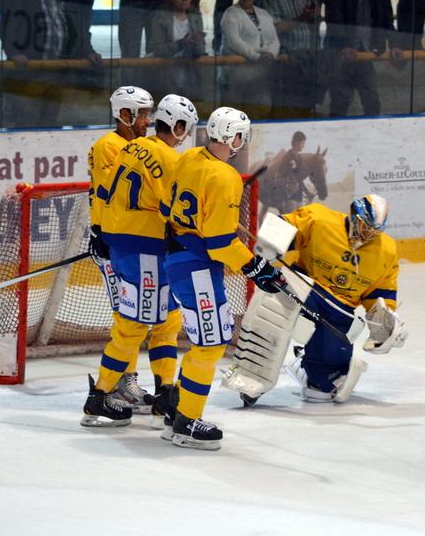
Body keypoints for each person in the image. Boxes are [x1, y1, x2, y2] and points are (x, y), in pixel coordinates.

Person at [162, 106, 285, 450]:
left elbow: (166, 208)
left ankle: (178, 411)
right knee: (210, 344)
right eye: (241, 136)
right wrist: (255, 266)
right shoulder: (225, 176)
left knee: (203, 342)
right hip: (198, 267)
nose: (242, 142)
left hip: (177, 259)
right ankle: (187, 422)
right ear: (231, 136)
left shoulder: (188, 159)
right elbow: (219, 245)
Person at [80, 94, 199, 428]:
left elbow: (104, 193)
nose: (186, 136)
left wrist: (102, 232)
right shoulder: (169, 159)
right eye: (186, 129)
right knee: (133, 326)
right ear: (177, 126)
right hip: (143, 250)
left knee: (168, 321)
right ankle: (98, 397)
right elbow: (172, 210)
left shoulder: (132, 148)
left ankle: (165, 394)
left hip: (132, 246)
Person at [222, 194, 406, 406]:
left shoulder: (387, 250)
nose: (368, 235)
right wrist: (272, 243)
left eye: (374, 231)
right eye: (365, 227)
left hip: (340, 309)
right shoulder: (319, 219)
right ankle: (250, 373)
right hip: (303, 286)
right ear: (354, 217)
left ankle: (310, 370)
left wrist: (386, 322)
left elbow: (380, 294)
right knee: (271, 304)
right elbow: (284, 224)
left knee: (320, 393)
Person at [85, 86, 157, 412]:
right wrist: (102, 233)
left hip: (127, 241)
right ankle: (118, 384)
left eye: (148, 114)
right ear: (124, 114)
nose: (147, 121)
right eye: (142, 115)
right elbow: (106, 195)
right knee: (126, 316)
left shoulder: (141, 146)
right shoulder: (108, 146)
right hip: (112, 242)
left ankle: (124, 381)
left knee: (132, 316)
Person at [0, 0, 103, 128]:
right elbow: (8, 25)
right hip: (31, 68)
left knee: (51, 122)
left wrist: (88, 51)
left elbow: (75, 27)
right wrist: (13, 52)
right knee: (26, 121)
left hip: (58, 68)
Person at [324, 0, 402, 117]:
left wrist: (394, 44)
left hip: (366, 51)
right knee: (340, 102)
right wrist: (343, 45)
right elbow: (334, 18)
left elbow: (386, 17)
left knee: (372, 102)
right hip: (340, 53)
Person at [257, 0, 321, 118]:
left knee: (305, 107)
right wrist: (301, 17)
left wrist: (314, 16)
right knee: (285, 108)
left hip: (307, 58)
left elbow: (311, 22)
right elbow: (273, 29)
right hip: (285, 59)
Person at [219, 0, 280, 119]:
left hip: (260, 78)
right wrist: (257, 56)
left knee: (259, 114)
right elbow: (233, 41)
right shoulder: (230, 14)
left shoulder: (264, 14)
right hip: (235, 79)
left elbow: (274, 40)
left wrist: (271, 54)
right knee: (232, 118)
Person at [150, 0, 205, 101]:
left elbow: (201, 51)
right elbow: (159, 49)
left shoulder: (195, 16)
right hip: (166, 71)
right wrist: (181, 44)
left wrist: (196, 43)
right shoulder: (161, 17)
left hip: (190, 73)